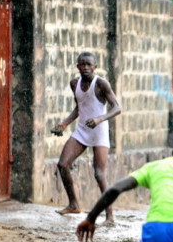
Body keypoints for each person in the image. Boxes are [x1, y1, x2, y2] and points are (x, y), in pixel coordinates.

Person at [51, 52, 121, 223]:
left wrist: (99, 119)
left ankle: (109, 216)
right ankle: (74, 204)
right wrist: (65, 123)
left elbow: (117, 107)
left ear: (95, 67)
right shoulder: (74, 83)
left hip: (99, 131)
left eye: (89, 64)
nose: (85, 68)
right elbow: (80, 107)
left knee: (99, 174)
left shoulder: (101, 84)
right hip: (82, 130)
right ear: (77, 67)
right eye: (82, 64)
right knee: (62, 164)